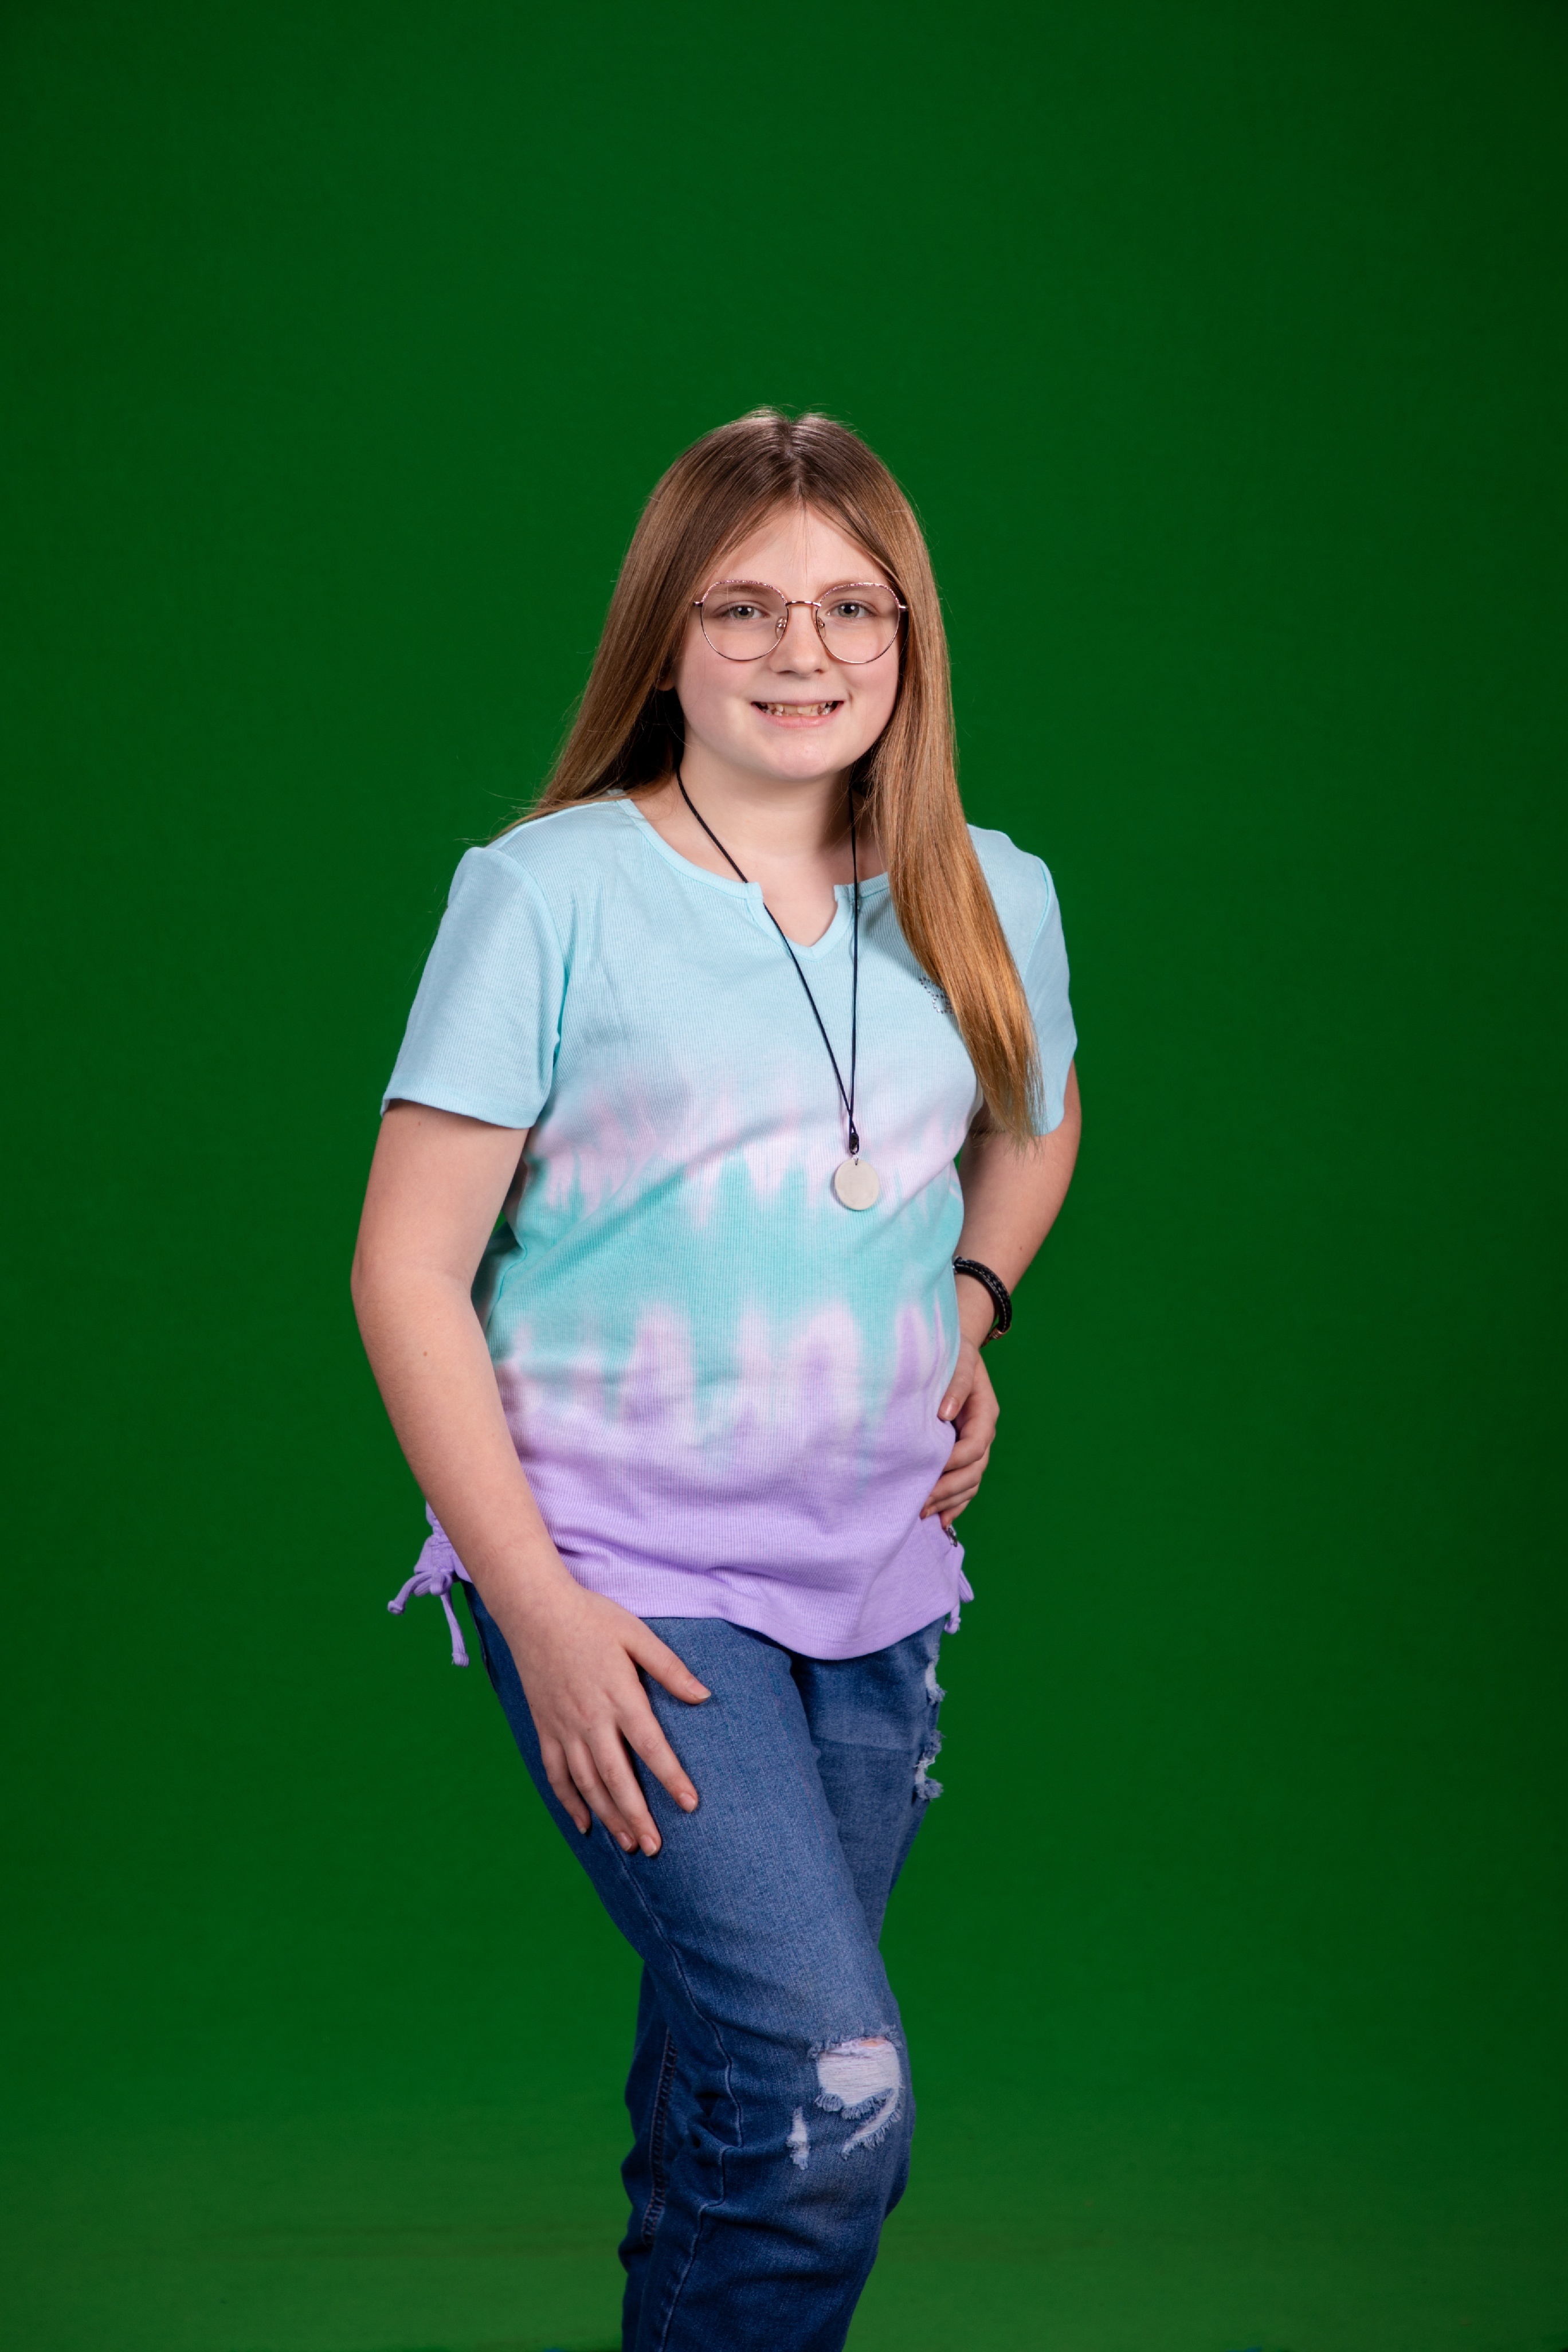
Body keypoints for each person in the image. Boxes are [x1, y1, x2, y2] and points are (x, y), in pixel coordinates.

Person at [351, 408, 1081, 2352]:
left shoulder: (987, 891)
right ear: (663, 637)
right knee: (831, 2103)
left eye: (854, 607)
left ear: (910, 640)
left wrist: (973, 1302)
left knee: (733, 2112)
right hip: (620, 1579)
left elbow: (1036, 1119)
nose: (801, 650)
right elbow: (406, 1268)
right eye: (743, 606)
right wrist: (538, 1609)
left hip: (875, 1580)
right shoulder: (548, 892)